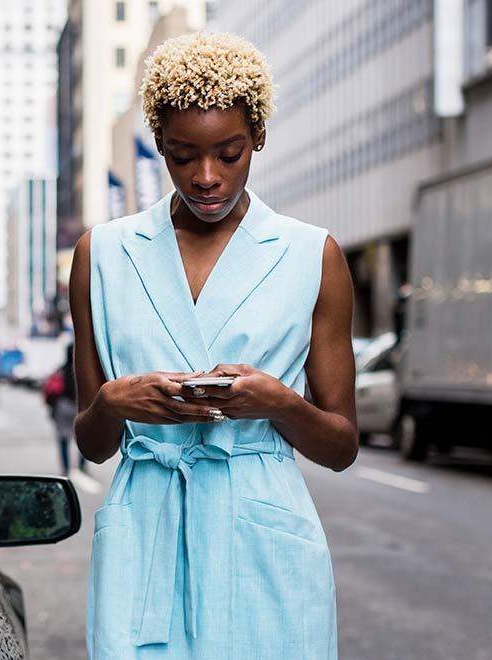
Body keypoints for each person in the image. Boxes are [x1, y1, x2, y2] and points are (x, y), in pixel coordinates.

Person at [69, 33, 356, 659]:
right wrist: (115, 402)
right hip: (144, 531)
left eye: (229, 154)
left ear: (257, 137)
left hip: (265, 540)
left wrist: (280, 403)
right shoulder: (104, 255)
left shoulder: (313, 256)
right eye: (180, 156)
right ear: (158, 145)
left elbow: (341, 446)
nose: (206, 177)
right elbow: (92, 446)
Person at [47, 341, 88, 476]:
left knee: (63, 438)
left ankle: (65, 468)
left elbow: (51, 390)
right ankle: (82, 465)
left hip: (63, 406)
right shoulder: (85, 370)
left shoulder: (61, 370)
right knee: (84, 438)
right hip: (81, 407)